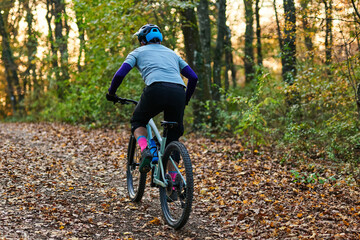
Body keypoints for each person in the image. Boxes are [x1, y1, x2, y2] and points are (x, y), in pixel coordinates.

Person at [106, 24, 198, 175]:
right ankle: (174, 183)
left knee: (138, 121)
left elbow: (120, 74)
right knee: (172, 137)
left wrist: (111, 93)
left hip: (156, 89)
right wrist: (185, 100)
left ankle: (146, 150)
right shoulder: (173, 54)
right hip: (179, 92)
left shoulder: (137, 52)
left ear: (142, 41)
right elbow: (193, 77)